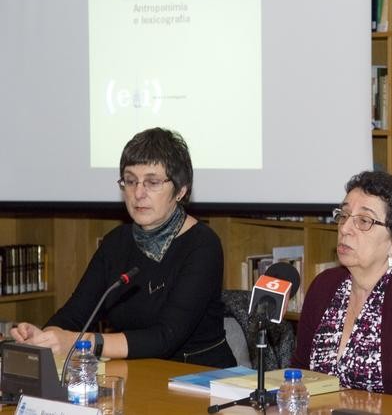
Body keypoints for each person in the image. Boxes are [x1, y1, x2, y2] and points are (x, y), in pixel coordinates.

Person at [11, 127, 235, 368]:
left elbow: (165, 337)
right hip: (137, 375)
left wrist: (79, 343)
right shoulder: (115, 242)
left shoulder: (203, 245)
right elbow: (75, 315)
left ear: (181, 190)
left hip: (200, 378)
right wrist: (45, 337)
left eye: (152, 182)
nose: (138, 193)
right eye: (130, 181)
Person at [292, 170, 392, 400]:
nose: (345, 228)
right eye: (344, 215)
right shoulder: (324, 286)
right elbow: (300, 375)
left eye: (364, 221)